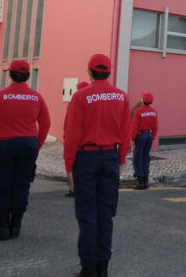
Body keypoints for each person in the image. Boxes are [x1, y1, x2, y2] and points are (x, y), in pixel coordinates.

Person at [63, 54, 130, 276]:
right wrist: (121, 159)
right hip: (110, 157)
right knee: (105, 213)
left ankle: (89, 267)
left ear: (90, 72)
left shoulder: (80, 96)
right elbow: (125, 132)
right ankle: (103, 266)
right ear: (109, 72)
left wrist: (69, 166)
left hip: (87, 159)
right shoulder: (121, 96)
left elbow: (73, 134)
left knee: (87, 214)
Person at [0, 60, 51, 241]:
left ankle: (3, 228)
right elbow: (46, 124)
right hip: (28, 145)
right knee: (22, 185)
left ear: (10, 74)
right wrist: (37, 145)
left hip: (4, 145)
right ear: (28, 76)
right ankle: (16, 226)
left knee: (2, 186)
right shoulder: (36, 97)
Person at [65, 81, 90, 198]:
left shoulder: (75, 102)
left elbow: (69, 124)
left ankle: (73, 188)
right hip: (89, 143)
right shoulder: (91, 102)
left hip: (77, 140)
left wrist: (66, 137)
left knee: (71, 163)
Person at [130, 92, 158, 190]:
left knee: (137, 158)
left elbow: (134, 126)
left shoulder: (138, 111)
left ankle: (140, 181)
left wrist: (132, 139)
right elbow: (155, 127)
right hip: (148, 135)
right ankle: (146, 180)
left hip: (140, 136)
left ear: (143, 100)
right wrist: (152, 136)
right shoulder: (154, 111)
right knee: (146, 157)